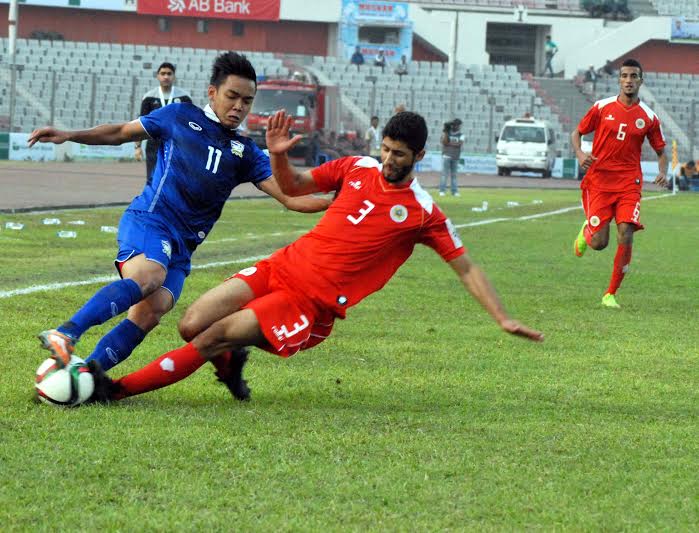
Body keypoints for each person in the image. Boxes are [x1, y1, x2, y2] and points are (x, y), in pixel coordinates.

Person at [87, 109, 543, 404]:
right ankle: (231, 369)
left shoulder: (424, 213)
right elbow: (295, 187)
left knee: (211, 337)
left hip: (309, 303)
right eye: (385, 149)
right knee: (192, 322)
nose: (387, 160)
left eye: (398, 155)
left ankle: (113, 390)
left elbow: (466, 267)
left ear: (419, 155)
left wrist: (502, 318)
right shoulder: (358, 167)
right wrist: (281, 156)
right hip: (282, 265)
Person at [28, 52, 329, 374]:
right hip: (151, 220)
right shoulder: (177, 116)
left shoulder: (246, 152)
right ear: (212, 92)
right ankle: (65, 333)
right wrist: (70, 135)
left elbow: (291, 198)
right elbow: (119, 133)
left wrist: (343, 199)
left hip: (183, 248)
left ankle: (88, 376)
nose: (239, 106)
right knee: (149, 276)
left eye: (247, 100)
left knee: (151, 312)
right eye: (232, 96)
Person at [571, 58, 668, 309]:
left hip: (629, 183)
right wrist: (581, 154)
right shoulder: (602, 107)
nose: (628, 80)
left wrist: (662, 171)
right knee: (599, 243)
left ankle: (610, 294)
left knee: (626, 232)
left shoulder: (648, 117)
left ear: (640, 81)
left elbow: (661, 152)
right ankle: (587, 232)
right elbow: (577, 132)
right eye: (624, 76)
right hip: (599, 180)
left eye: (633, 76)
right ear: (619, 80)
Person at [135, 62, 193, 185]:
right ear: (157, 76)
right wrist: (137, 146)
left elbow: (190, 123)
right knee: (153, 180)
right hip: (154, 145)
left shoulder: (184, 97)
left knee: (174, 181)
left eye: (169, 74)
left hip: (177, 144)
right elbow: (141, 123)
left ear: (174, 76)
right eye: (163, 74)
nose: (166, 76)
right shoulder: (149, 97)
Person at [440, 119, 464, 197]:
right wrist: (446, 132)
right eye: (455, 125)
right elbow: (443, 142)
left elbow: (459, 144)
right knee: (444, 174)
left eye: (458, 125)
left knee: (454, 175)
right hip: (446, 155)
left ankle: (454, 191)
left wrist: (449, 143)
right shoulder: (447, 133)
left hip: (455, 157)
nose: (457, 127)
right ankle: (442, 191)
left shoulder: (461, 134)